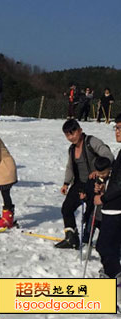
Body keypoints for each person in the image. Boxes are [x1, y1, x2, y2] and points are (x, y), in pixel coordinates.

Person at [56, 119, 113, 249]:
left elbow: (108, 155)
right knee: (67, 208)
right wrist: (66, 183)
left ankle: (91, 240)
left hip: (95, 183)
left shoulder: (91, 142)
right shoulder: (71, 149)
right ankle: (71, 237)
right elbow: (70, 167)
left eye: (73, 133)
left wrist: (98, 171)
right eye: (67, 135)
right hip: (79, 183)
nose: (71, 137)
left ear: (80, 130)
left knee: (91, 214)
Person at [94, 114, 121, 303]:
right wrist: (105, 185)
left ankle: (115, 280)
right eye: (116, 127)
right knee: (111, 247)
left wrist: (102, 197)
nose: (117, 131)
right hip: (113, 207)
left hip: (115, 209)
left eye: (120, 127)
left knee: (104, 246)